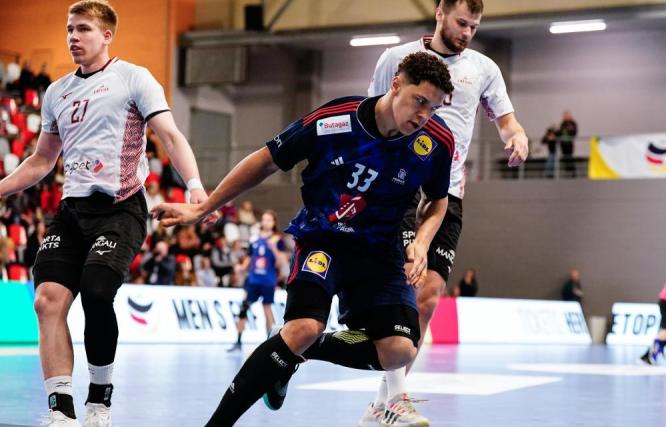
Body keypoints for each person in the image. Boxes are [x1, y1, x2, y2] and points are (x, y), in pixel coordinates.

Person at [151, 51, 455, 427]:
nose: (424, 115)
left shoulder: (437, 142)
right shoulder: (333, 121)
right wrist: (203, 207)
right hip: (324, 240)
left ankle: (298, 354)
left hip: (381, 252)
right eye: (419, 101)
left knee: (398, 352)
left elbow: (438, 202)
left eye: (434, 107)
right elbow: (264, 160)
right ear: (395, 84)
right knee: (303, 328)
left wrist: (423, 241)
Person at [0, 2, 211, 425]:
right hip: (71, 210)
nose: (73, 38)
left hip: (121, 207)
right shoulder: (56, 91)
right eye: (68, 30)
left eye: (82, 30)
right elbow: (42, 160)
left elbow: (169, 134)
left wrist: (196, 190)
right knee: (46, 300)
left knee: (96, 292)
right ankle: (61, 411)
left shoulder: (133, 78)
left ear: (107, 35)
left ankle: (99, 402)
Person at [363, 1, 529, 424]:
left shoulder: (484, 69)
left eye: (474, 26)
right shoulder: (393, 59)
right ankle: (398, 399)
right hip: (397, 186)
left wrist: (519, 137)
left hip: (447, 194)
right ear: (439, 13)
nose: (467, 32)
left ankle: (384, 404)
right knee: (405, 284)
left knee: (429, 297)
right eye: (460, 23)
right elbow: (369, 118)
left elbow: (507, 121)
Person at [228, 210, 288, 351]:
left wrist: (274, 249)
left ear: (274, 223)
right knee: (244, 307)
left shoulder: (277, 240)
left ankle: (270, 342)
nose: (265, 222)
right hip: (253, 280)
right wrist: (242, 267)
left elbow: (282, 262)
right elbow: (250, 256)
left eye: (268, 220)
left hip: (268, 280)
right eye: (264, 219)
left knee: (266, 308)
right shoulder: (254, 238)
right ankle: (238, 341)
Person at [558, 111, 578, 178]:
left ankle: (573, 172)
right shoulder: (563, 124)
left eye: (567, 116)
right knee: (565, 158)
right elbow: (559, 132)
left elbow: (574, 132)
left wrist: (570, 129)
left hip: (569, 143)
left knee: (570, 157)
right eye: (564, 116)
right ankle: (567, 172)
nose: (565, 117)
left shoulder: (573, 123)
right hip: (563, 143)